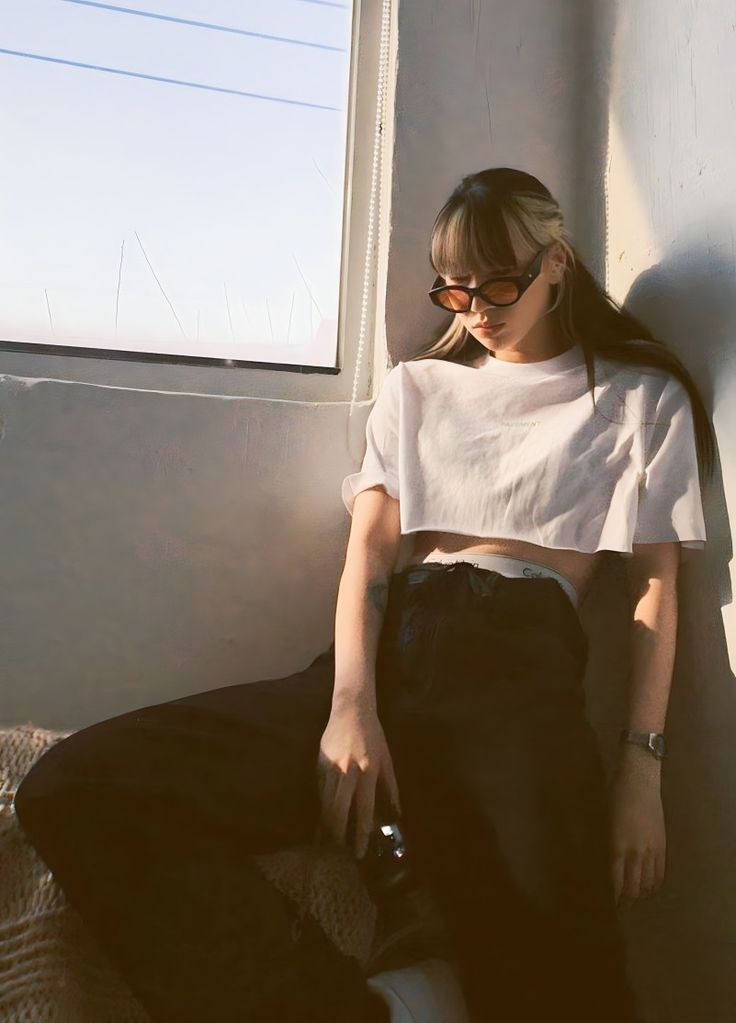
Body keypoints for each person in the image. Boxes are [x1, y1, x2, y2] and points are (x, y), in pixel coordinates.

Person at [12, 166, 712, 1023]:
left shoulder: (639, 397)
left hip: (515, 675)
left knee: (570, 987)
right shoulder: (418, 387)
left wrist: (641, 768)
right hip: (390, 653)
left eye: (501, 282)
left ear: (557, 261)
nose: (477, 310)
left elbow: (654, 594)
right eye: (454, 290)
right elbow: (371, 558)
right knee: (79, 787)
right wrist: (351, 707)